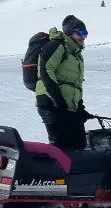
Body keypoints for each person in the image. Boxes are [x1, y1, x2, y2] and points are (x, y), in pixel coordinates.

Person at [35, 14, 92, 150]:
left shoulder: (76, 55)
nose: (84, 36)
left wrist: (80, 107)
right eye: (80, 32)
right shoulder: (57, 45)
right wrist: (58, 100)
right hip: (51, 103)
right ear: (70, 32)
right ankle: (48, 171)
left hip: (66, 106)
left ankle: (79, 171)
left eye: (86, 33)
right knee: (61, 147)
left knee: (78, 145)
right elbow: (45, 70)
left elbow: (75, 85)